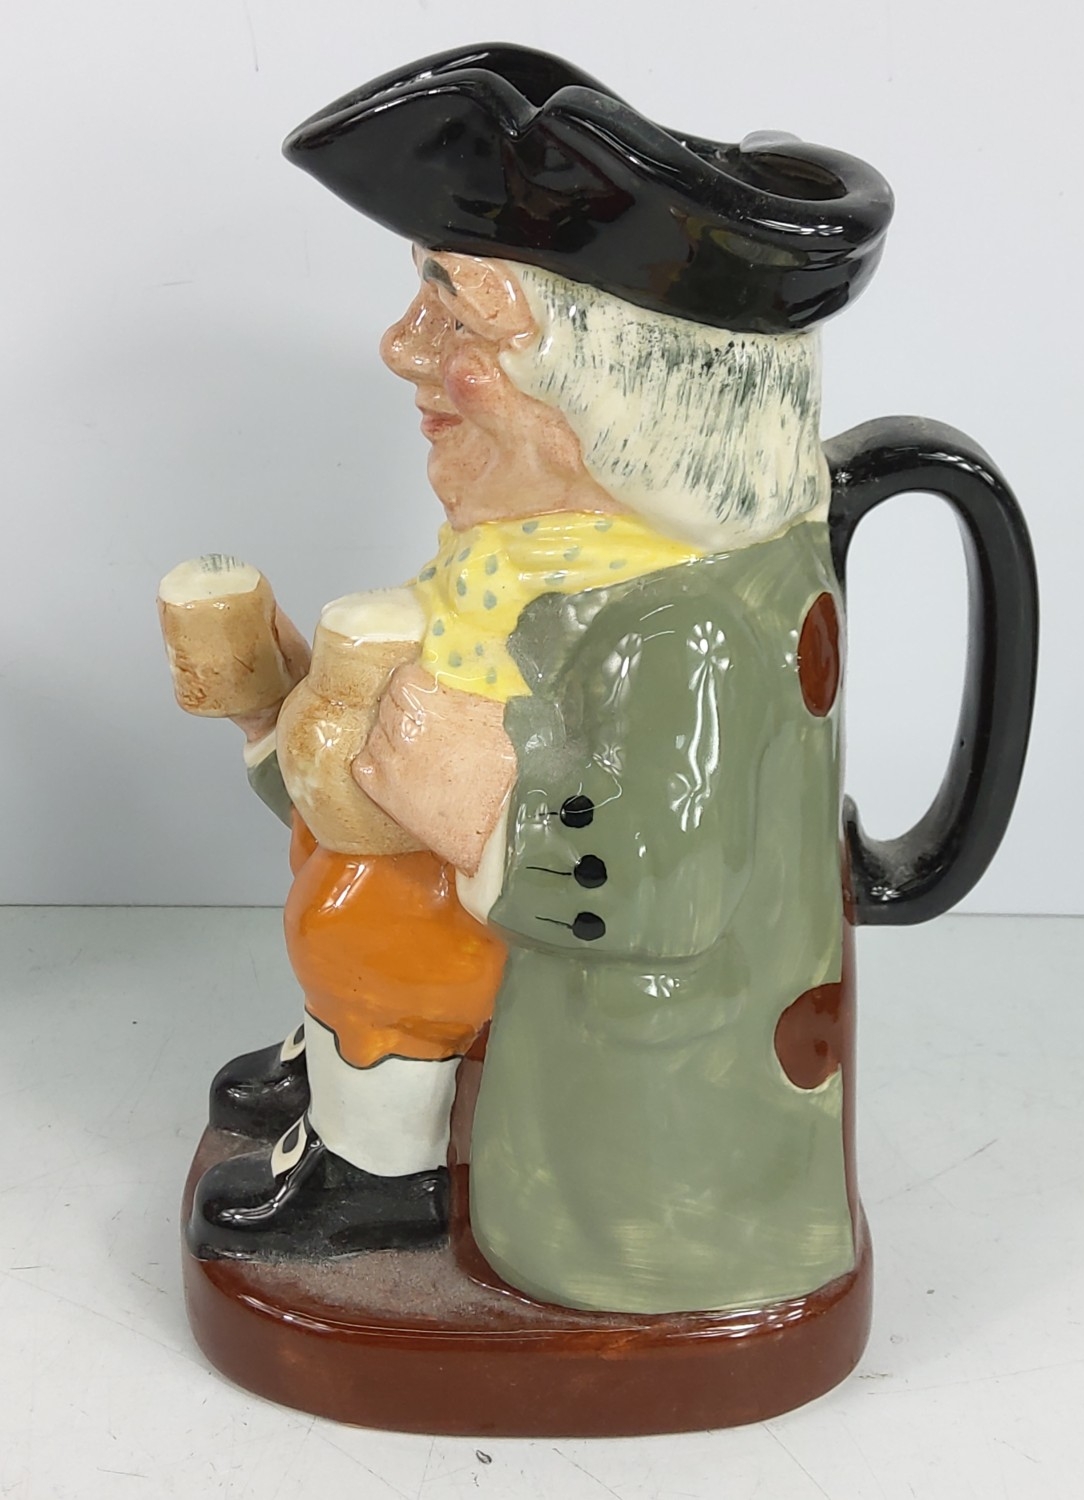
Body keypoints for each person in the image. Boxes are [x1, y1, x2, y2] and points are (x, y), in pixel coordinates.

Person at [267, 44, 894, 1311]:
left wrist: (473, 801)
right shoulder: (542, 560)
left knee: (374, 929)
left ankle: (386, 1129)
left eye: (455, 314)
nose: (400, 347)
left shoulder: (684, 624)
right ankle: (366, 1079)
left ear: (611, 391)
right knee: (357, 915)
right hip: (525, 999)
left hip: (643, 1138)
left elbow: (660, 889)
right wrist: (287, 707)